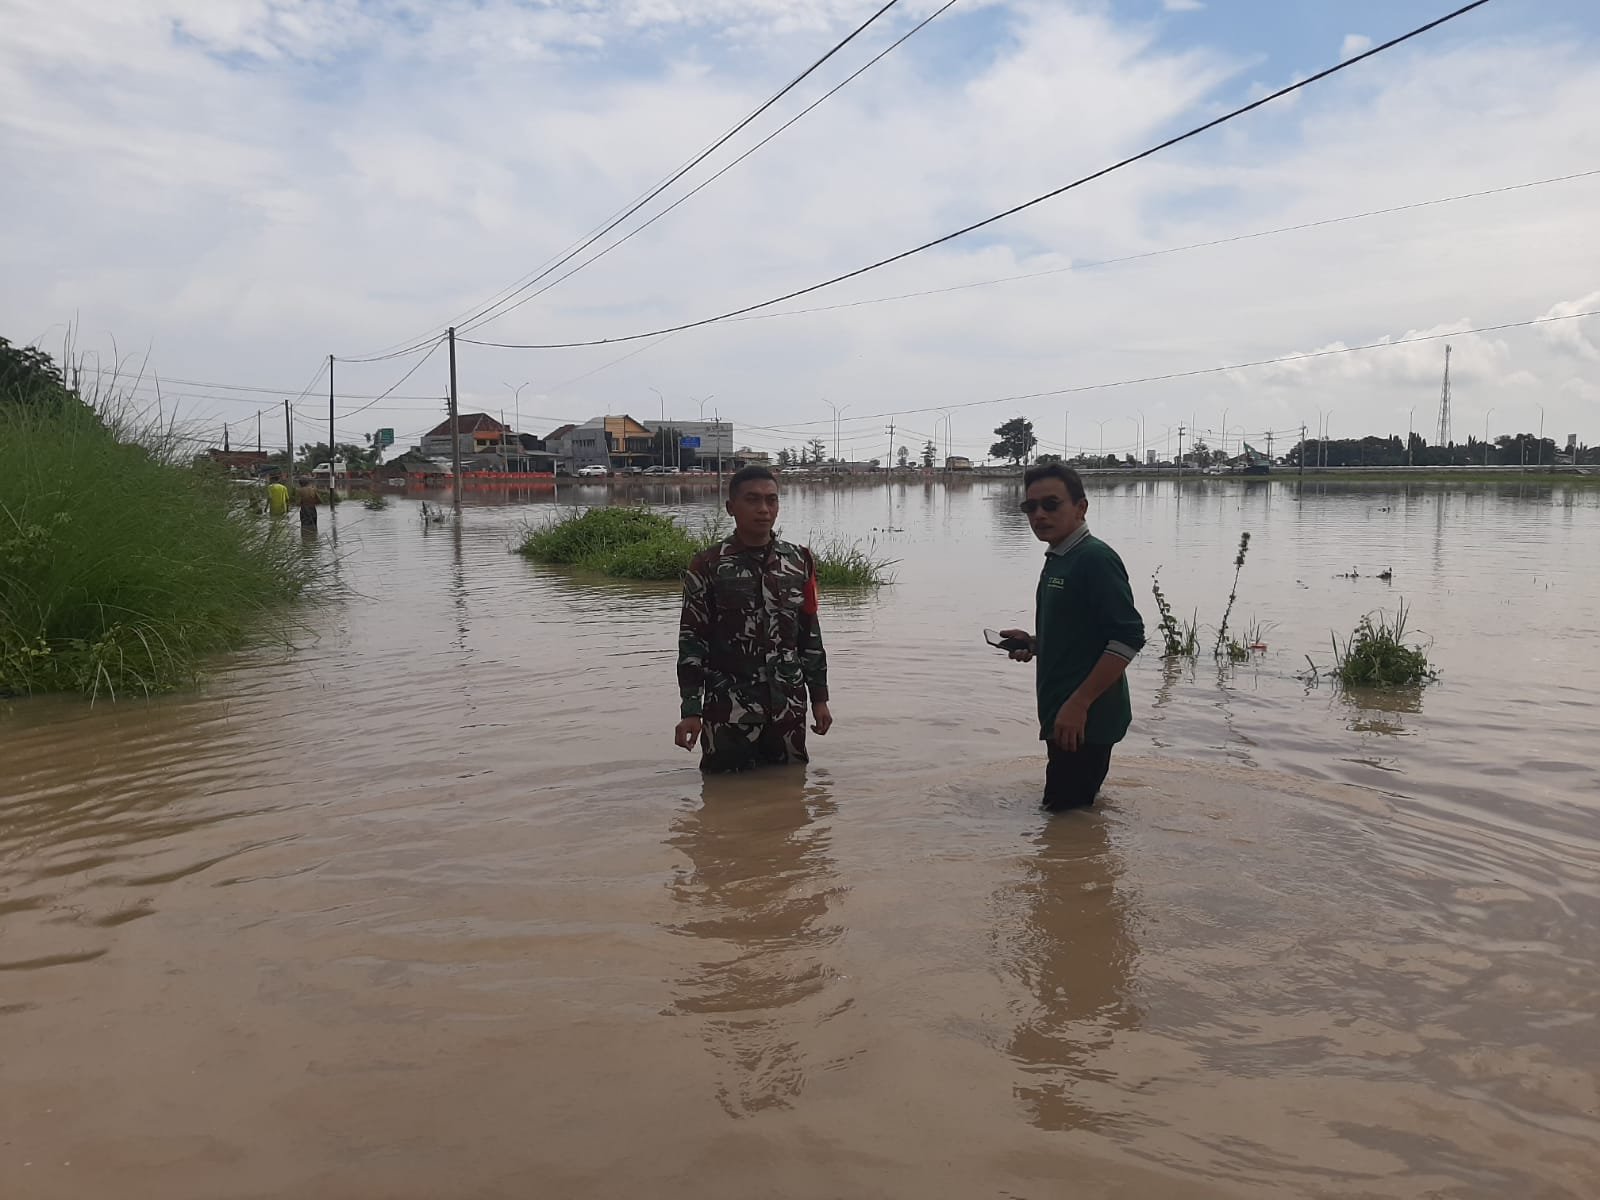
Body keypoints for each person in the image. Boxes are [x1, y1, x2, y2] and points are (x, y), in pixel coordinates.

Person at [1000, 463, 1145, 812]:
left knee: (1063, 826)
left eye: (1051, 504)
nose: (1039, 515)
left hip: (1082, 722)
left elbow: (1128, 637)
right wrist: (1036, 643)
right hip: (1064, 716)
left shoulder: (1094, 559)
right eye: (1030, 507)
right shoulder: (1059, 557)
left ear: (1081, 507)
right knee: (1076, 820)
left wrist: (1079, 703)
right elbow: (1084, 633)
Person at [675, 466, 833, 772]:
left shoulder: (799, 560)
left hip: (788, 711)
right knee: (722, 803)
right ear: (731, 507)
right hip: (729, 715)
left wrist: (819, 699)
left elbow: (809, 636)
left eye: (771, 500)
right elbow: (692, 642)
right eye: (753, 500)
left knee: (790, 800)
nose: (764, 509)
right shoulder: (708, 565)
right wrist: (691, 710)